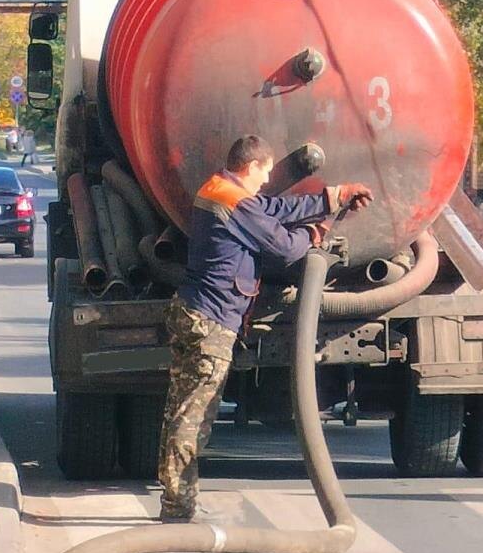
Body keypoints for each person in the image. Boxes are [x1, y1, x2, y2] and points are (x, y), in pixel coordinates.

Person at [156, 134, 374, 522]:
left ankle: (176, 499)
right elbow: (283, 246)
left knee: (179, 411)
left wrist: (332, 197)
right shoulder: (233, 200)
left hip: (194, 311)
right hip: (211, 321)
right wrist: (313, 235)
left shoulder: (221, 189)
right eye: (265, 171)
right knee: (193, 418)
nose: (267, 178)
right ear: (251, 166)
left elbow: (272, 208)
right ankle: (178, 507)